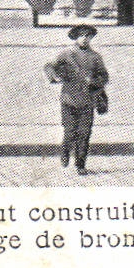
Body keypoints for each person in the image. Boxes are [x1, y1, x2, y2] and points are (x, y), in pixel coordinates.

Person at [45, 23, 110, 175]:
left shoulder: (95, 57)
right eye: (82, 36)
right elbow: (49, 67)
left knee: (85, 133)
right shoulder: (66, 55)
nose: (85, 39)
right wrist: (55, 76)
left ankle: (80, 164)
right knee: (69, 132)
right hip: (69, 100)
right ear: (76, 37)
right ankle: (65, 151)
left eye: (88, 36)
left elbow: (104, 76)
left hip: (88, 101)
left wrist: (93, 81)